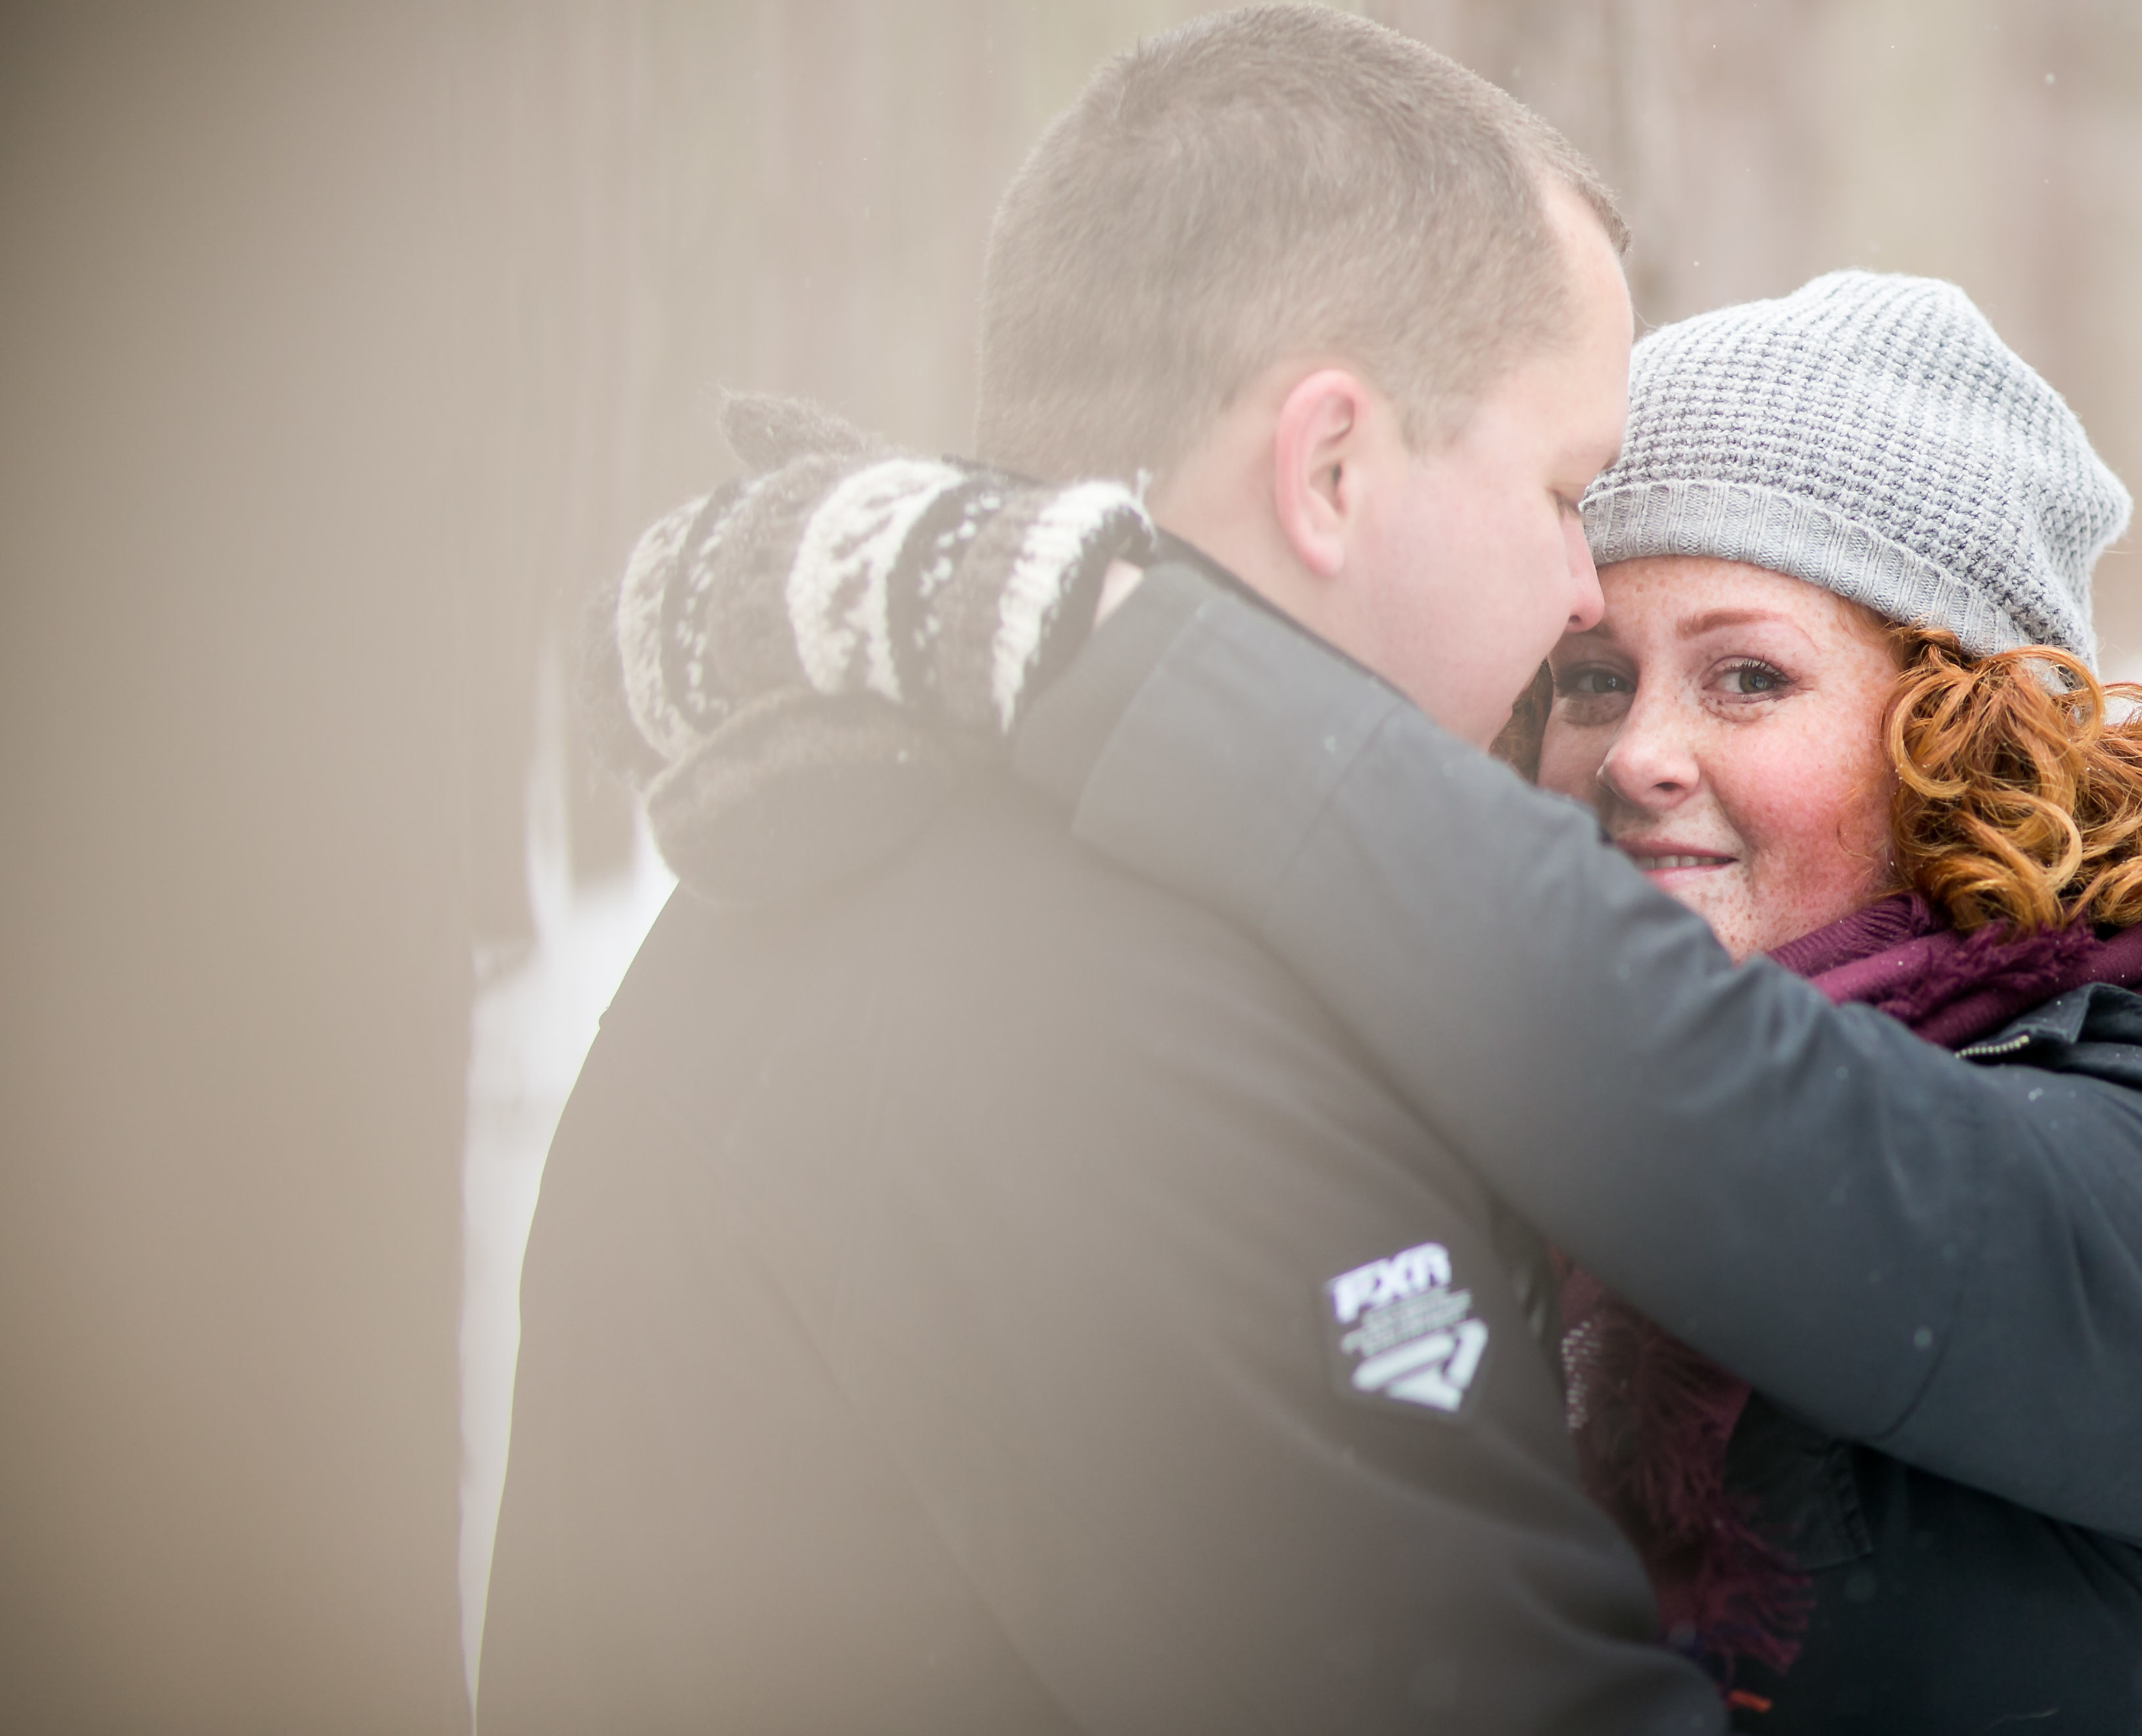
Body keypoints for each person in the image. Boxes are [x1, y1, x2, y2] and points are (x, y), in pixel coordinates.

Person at [627, 266, 2142, 1731]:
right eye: (1590, 679)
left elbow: (1808, 1163)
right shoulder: (1494, 1134)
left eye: (1746, 680)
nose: (1635, 754)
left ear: (1967, 742)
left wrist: (1118, 652)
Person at [480, 9, 1736, 1732]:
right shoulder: (1090, 1004)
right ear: (1331, 468)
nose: (1586, 589)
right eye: (1562, 486)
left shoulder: (920, 861)